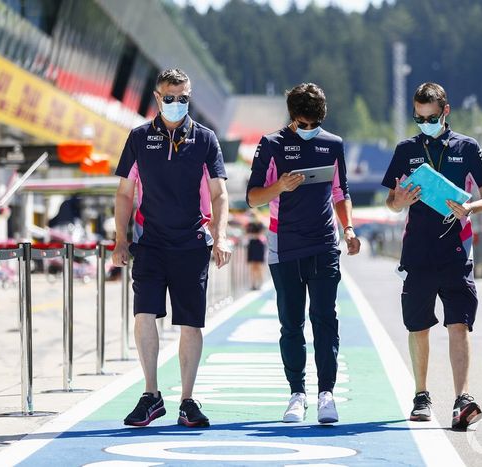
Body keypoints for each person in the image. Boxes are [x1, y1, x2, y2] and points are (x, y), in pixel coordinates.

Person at [112, 68, 231, 428]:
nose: (177, 104)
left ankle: (187, 401)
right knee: (143, 315)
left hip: (193, 243)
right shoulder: (138, 137)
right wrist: (121, 239)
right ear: (156, 97)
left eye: (183, 98)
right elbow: (124, 193)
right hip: (150, 243)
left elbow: (219, 194)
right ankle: (151, 394)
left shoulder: (206, 139)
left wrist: (221, 235)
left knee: (190, 324)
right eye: (170, 97)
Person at [381, 82, 482, 431]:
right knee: (418, 326)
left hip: (455, 250)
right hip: (417, 251)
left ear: (445, 112)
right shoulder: (405, 149)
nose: (423, 122)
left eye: (430, 117)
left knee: (458, 323)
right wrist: (400, 200)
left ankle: (462, 397)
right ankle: (421, 395)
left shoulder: (468, 146)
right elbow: (391, 202)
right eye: (418, 117)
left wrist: (470, 207)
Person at [246, 83, 360, 424]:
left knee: (325, 319)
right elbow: (252, 197)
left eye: (314, 124)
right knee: (291, 323)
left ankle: (327, 393)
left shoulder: (333, 144)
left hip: (325, 243)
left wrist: (349, 228)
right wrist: (279, 186)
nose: (309, 130)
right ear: (292, 116)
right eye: (303, 124)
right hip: (285, 244)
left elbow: (341, 191)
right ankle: (297, 393)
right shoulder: (271, 144)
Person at [245, 215, 266, 290]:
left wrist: (254, 235)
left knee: (259, 266)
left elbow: (261, 233)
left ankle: (260, 283)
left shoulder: (260, 224)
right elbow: (246, 234)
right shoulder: (249, 225)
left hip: (259, 244)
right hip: (252, 245)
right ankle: (253, 284)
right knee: (252, 266)